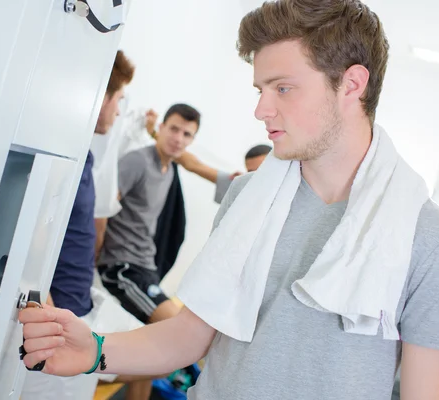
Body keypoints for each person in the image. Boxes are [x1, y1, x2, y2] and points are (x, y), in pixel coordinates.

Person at [19, 1, 439, 399]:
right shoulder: (248, 197)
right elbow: (189, 336)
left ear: (351, 84)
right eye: (260, 89)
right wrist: (93, 350)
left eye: (282, 88)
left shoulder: (426, 238)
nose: (261, 110)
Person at [21, 50, 152, 400]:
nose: (119, 110)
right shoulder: (58, 155)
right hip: (62, 317)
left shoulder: (83, 154)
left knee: (156, 357)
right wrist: (47, 323)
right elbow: (31, 243)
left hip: (83, 302)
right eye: (118, 99)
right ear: (100, 96)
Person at [96, 103, 200, 325]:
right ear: (160, 128)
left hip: (146, 266)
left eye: (186, 134)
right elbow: (101, 208)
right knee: (174, 328)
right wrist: (94, 258)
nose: (178, 138)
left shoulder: (169, 171)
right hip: (121, 267)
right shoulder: (138, 161)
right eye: (174, 129)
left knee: (182, 328)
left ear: (191, 141)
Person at [176, 144, 272, 203]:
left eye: (262, 170)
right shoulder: (242, 187)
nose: (257, 177)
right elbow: (193, 165)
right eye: (251, 173)